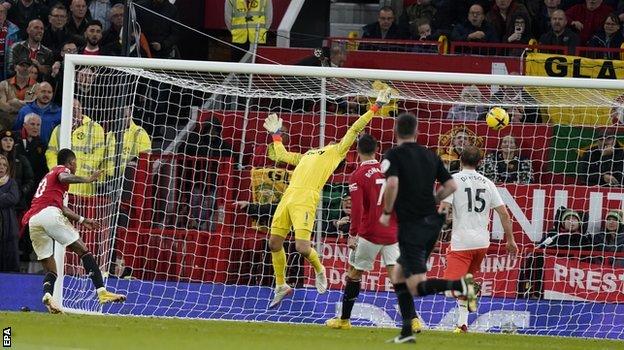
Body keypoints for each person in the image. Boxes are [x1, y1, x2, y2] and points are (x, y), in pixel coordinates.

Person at [262, 87, 392, 308]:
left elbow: (354, 128)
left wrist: (375, 107)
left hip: (306, 198)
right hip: (288, 197)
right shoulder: (308, 154)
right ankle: (281, 285)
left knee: (302, 248)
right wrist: (276, 135)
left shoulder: (335, 153)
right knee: (274, 244)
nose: (333, 141)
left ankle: (319, 269)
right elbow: (281, 155)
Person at [378, 113, 476, 343]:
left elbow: (392, 183)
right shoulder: (430, 155)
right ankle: (406, 332)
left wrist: (386, 212)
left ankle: (462, 285)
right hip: (431, 223)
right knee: (399, 275)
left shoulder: (393, 154)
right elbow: (451, 185)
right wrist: (434, 198)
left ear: (395, 131)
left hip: (412, 226)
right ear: (417, 131)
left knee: (416, 287)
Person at [325, 134, 423, 333]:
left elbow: (358, 208)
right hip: (393, 232)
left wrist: (353, 233)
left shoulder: (358, 175)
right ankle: (413, 320)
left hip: (370, 233)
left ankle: (344, 320)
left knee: (354, 274)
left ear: (358, 151)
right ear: (376, 150)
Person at [22, 148, 125, 313]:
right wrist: (87, 179)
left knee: (51, 268)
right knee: (83, 251)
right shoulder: (61, 170)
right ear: (71, 162)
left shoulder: (48, 179)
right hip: (49, 213)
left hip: (34, 220)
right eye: (75, 163)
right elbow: (63, 176)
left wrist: (83, 220)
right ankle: (102, 292)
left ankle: (48, 296)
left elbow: (62, 207)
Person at [438, 145, 518, 333]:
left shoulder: (453, 180)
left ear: (460, 161)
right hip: (482, 243)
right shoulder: (488, 182)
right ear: (480, 162)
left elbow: (443, 210)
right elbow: (504, 214)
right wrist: (510, 240)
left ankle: (473, 288)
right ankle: (462, 324)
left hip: (462, 242)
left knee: (450, 289)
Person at [46, 98, 105, 196]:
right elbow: (51, 152)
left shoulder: (95, 128)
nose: (74, 112)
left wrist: (85, 169)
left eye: (76, 109)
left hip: (84, 184)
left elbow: (99, 152)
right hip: (62, 183)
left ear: (81, 109)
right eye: (71, 109)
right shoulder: (59, 129)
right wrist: (56, 170)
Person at [14, 81, 60, 145]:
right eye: (43, 91)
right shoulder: (24, 111)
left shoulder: (59, 112)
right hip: (27, 151)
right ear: (36, 93)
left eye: (49, 92)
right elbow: (16, 131)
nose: (46, 95)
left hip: (50, 151)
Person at [0, 153, 20, 272]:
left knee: (10, 268)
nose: (1, 167)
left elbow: (13, 198)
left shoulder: (11, 182)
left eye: (4, 165)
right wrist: (4, 196)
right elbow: (8, 198)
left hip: (8, 231)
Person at [0, 5, 20, 81]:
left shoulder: (14, 31)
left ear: (5, 15)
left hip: (7, 70)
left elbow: (17, 52)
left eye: (1, 12)